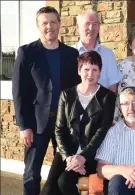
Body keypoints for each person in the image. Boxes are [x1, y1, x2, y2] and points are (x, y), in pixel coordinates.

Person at [12, 6, 80, 195]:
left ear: (59, 24)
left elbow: (76, 90)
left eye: (53, 22)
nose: (49, 26)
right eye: (44, 23)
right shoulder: (27, 52)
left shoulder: (71, 54)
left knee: (65, 172)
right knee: (32, 173)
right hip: (36, 124)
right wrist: (23, 125)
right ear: (38, 26)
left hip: (64, 123)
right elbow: (18, 92)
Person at [41, 51, 116, 195]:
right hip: (66, 152)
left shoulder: (108, 97)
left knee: (64, 182)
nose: (90, 74)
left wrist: (83, 156)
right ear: (79, 70)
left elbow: (102, 130)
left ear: (100, 72)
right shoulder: (66, 95)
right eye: (86, 69)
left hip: (92, 154)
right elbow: (59, 129)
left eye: (95, 70)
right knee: (49, 189)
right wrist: (68, 157)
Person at [72, 9, 121, 93]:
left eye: (95, 24)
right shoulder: (69, 54)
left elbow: (112, 87)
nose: (91, 28)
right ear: (77, 27)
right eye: (87, 24)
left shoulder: (108, 55)